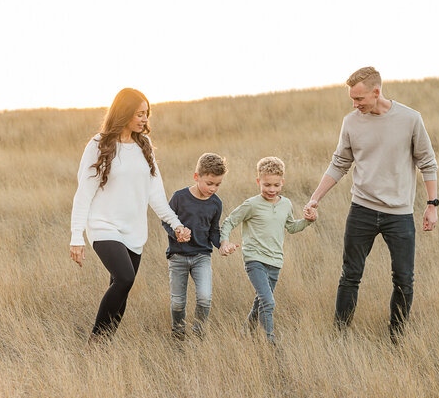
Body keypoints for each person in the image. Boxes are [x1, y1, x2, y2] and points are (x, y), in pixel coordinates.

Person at [304, 67, 438, 344]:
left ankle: (396, 339)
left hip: (399, 215)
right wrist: (315, 198)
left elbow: (427, 162)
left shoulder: (411, 119)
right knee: (350, 275)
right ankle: (339, 336)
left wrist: (431, 204)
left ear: (377, 92)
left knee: (404, 279)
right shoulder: (351, 122)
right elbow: (339, 163)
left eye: (359, 99)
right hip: (361, 211)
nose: (355, 105)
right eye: (352, 99)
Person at [70, 88, 191, 342]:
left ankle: (104, 347)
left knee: (121, 287)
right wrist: (76, 237)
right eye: (139, 114)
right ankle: (95, 342)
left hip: (133, 231)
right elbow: (84, 193)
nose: (145, 119)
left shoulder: (144, 146)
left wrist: (176, 224)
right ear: (124, 113)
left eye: (147, 114)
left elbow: (155, 194)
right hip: (103, 226)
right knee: (125, 278)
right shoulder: (99, 145)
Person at [219, 157, 317, 343]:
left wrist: (307, 222)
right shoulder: (252, 204)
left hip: (275, 262)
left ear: (282, 182)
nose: (271, 189)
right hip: (254, 260)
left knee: (260, 302)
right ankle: (270, 341)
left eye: (276, 185)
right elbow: (229, 221)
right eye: (266, 185)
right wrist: (224, 242)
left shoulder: (286, 204)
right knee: (268, 302)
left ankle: (245, 334)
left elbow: (291, 227)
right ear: (258, 182)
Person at [162, 153, 227, 341]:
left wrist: (222, 244)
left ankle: (199, 334)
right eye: (209, 183)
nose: (213, 188)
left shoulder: (216, 203)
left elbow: (214, 231)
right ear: (196, 176)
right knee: (177, 303)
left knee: (205, 298)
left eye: (217, 184)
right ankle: (178, 333)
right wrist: (176, 232)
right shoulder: (179, 197)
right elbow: (166, 220)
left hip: (202, 257)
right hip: (178, 257)